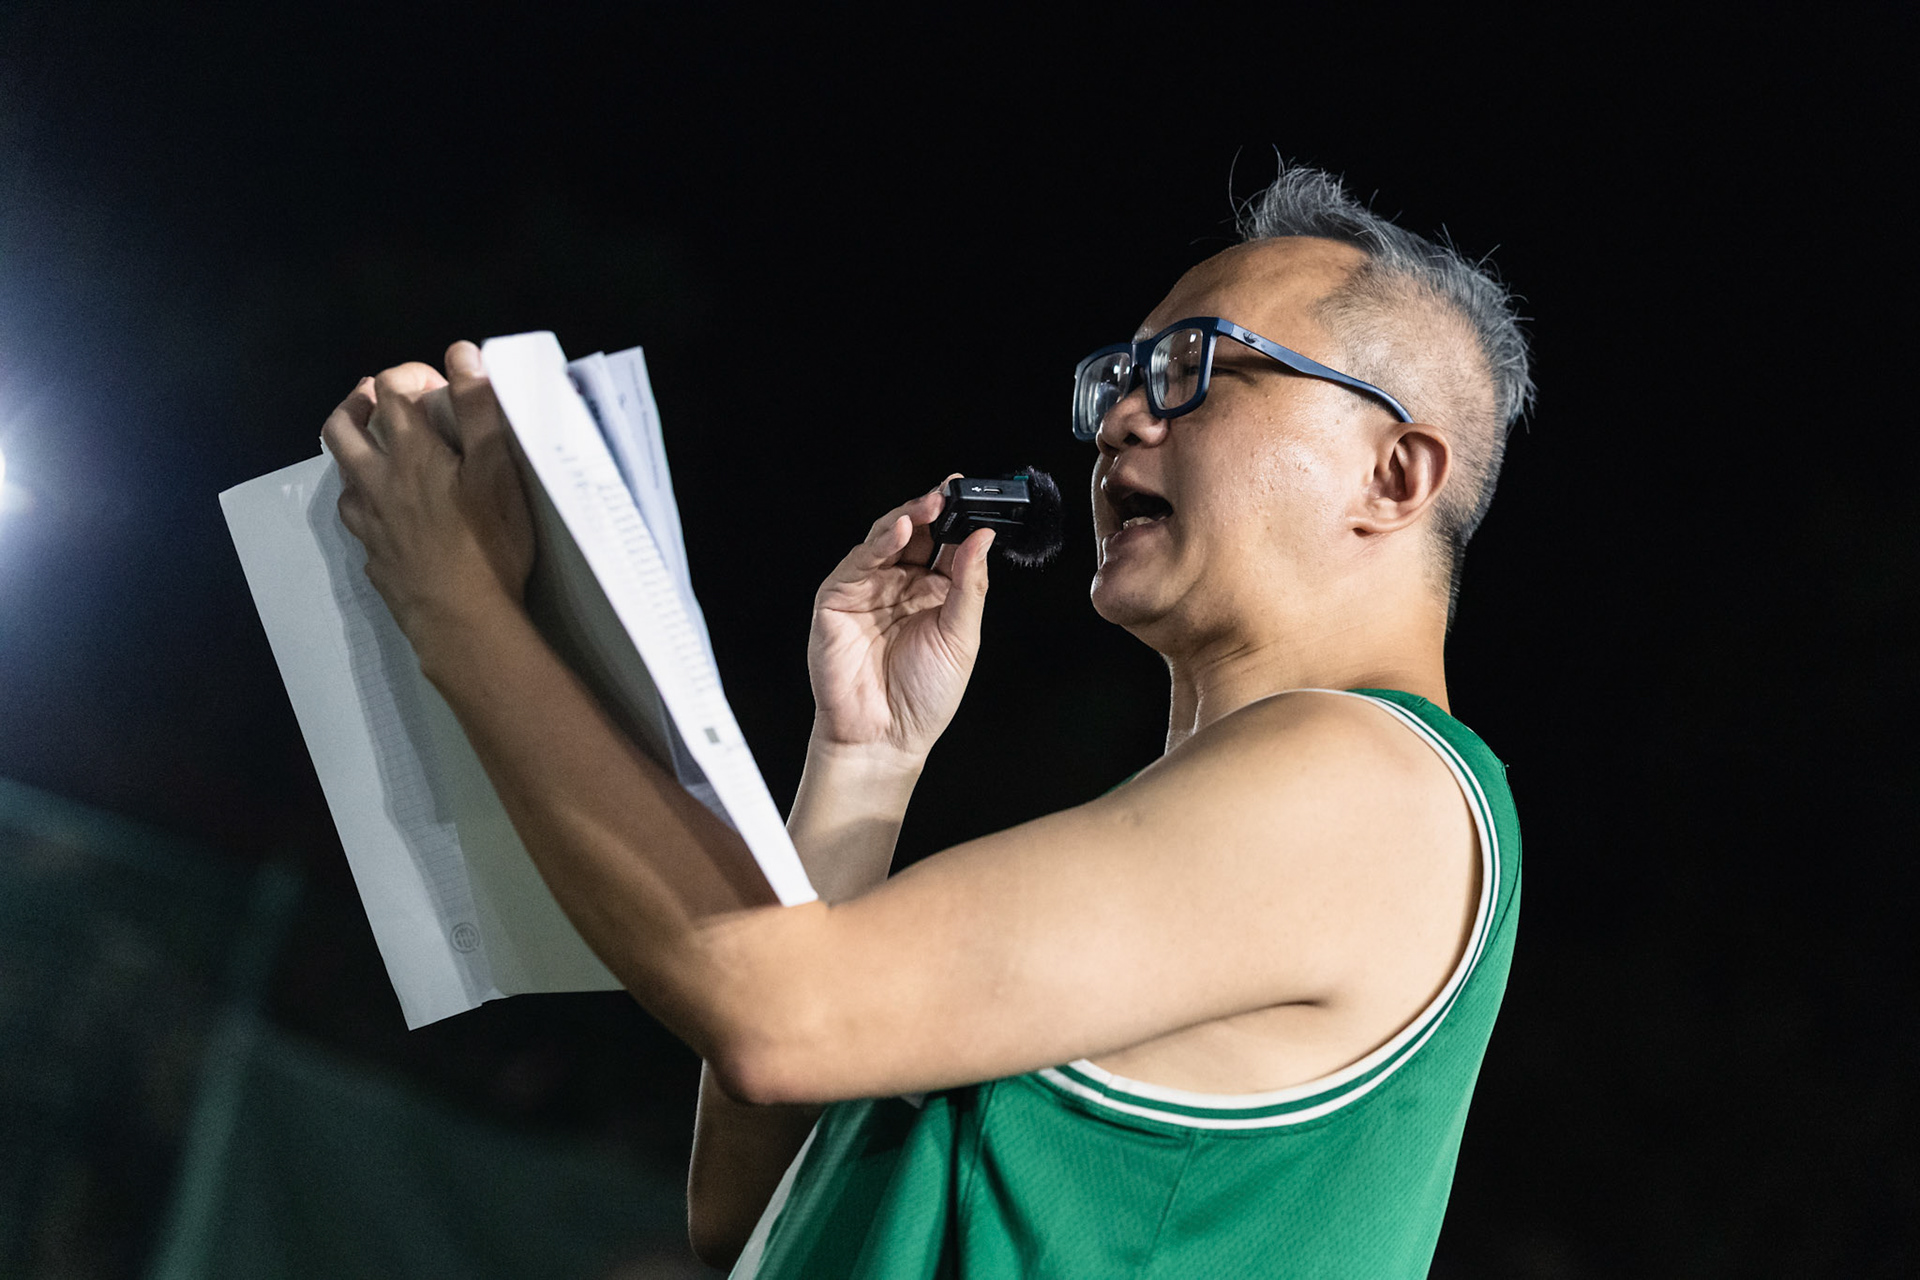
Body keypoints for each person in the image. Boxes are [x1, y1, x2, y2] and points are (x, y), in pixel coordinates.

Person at [321, 163, 1531, 1278]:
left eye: (1193, 368)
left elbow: (772, 1013)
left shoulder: (1375, 784)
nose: (1120, 419)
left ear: (1396, 475)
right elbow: (749, 1203)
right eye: (1120, 378)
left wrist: (455, 604)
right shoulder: (1227, 834)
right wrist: (864, 759)